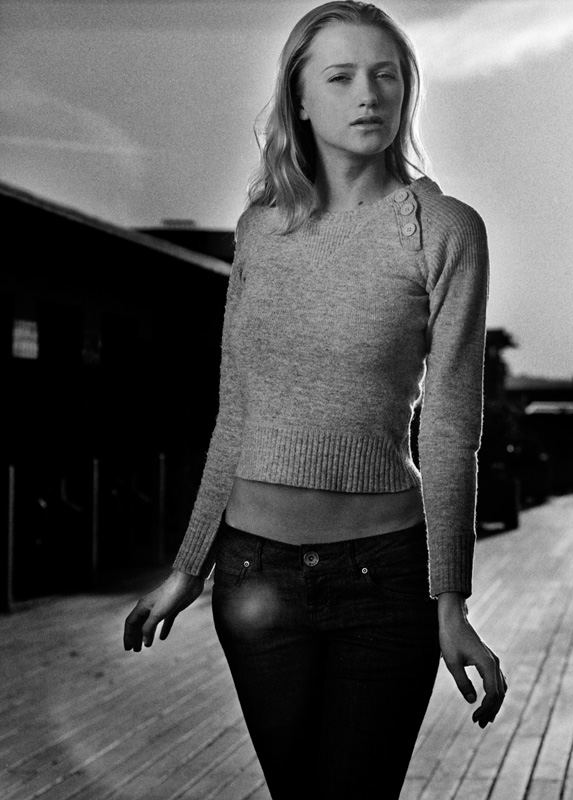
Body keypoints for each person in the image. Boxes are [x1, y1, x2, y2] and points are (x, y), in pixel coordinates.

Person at [123, 4, 507, 796]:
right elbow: (236, 413)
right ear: (300, 97)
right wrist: (188, 567)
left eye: (386, 75)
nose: (369, 94)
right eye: (341, 77)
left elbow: (449, 427)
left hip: (384, 580)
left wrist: (450, 600)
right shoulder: (260, 229)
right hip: (253, 573)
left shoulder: (445, 229)